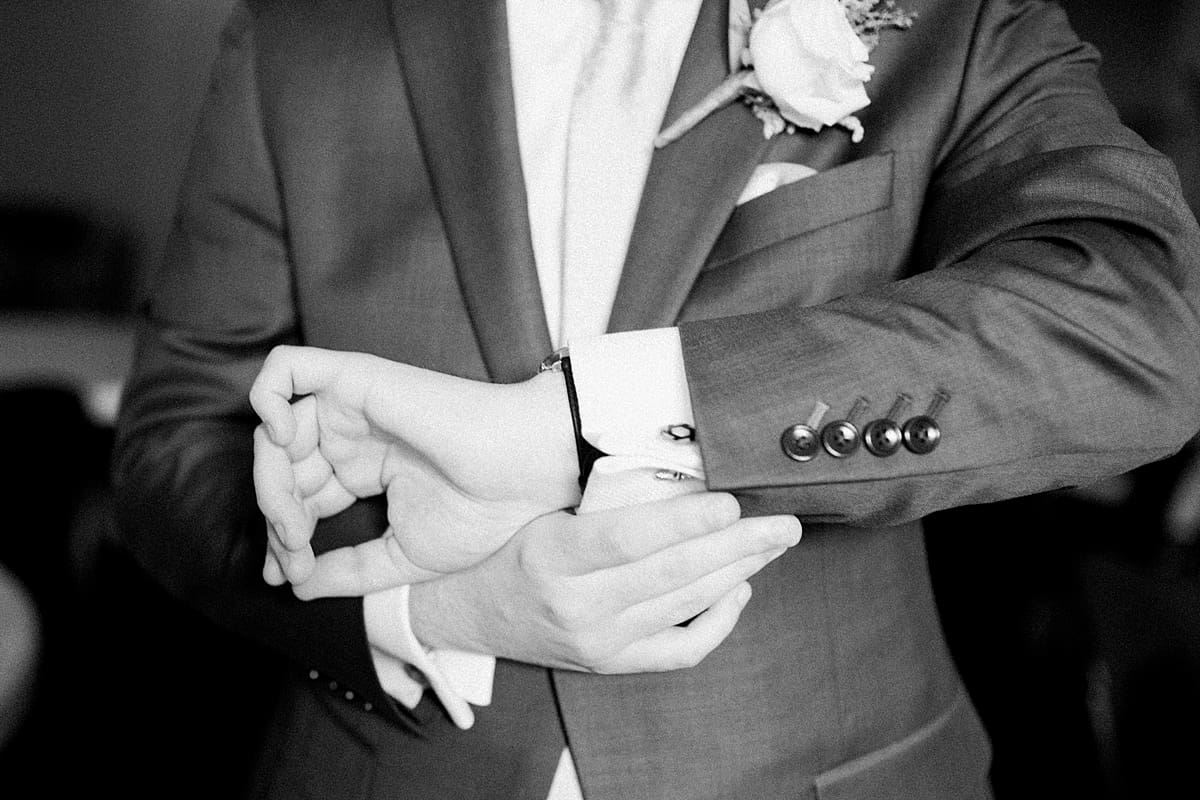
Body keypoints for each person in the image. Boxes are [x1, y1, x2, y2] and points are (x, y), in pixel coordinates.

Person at [110, 1, 1200, 799]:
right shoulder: (299, 40)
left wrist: (573, 428)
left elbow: (1139, 325)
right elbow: (169, 442)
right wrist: (433, 610)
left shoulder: (941, 16)